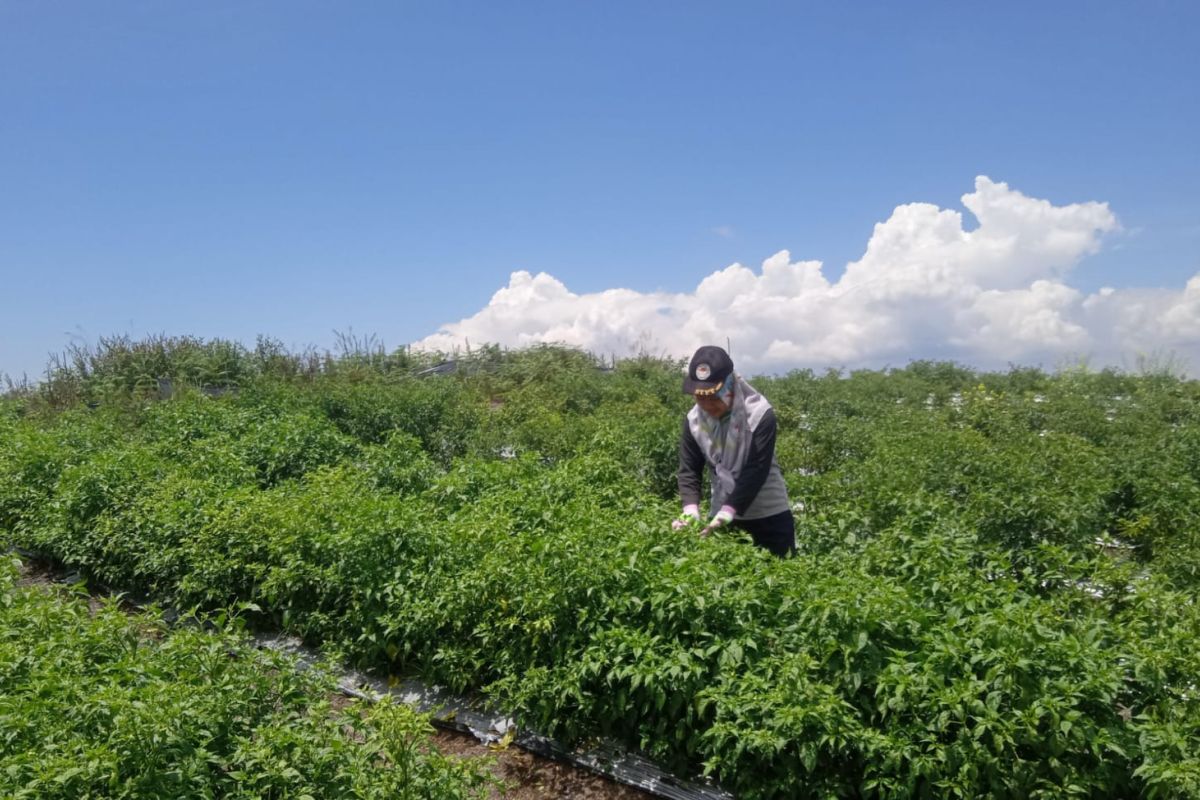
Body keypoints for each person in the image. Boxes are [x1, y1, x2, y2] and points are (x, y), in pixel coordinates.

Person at [672, 345, 796, 557]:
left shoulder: (758, 414)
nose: (708, 405)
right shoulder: (693, 420)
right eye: (701, 398)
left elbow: (756, 470)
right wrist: (690, 508)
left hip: (768, 517)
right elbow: (689, 469)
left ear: (730, 385)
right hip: (721, 516)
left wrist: (728, 512)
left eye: (714, 397)